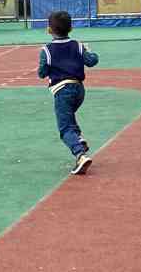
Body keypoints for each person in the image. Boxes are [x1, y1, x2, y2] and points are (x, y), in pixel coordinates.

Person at [38, 10, 99, 175]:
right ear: (71, 28)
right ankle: (78, 138)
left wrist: (45, 64)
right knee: (69, 117)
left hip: (62, 91)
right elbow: (92, 61)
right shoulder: (78, 46)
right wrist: (89, 50)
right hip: (79, 90)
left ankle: (80, 154)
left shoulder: (47, 50)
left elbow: (42, 73)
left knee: (64, 128)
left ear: (49, 30)